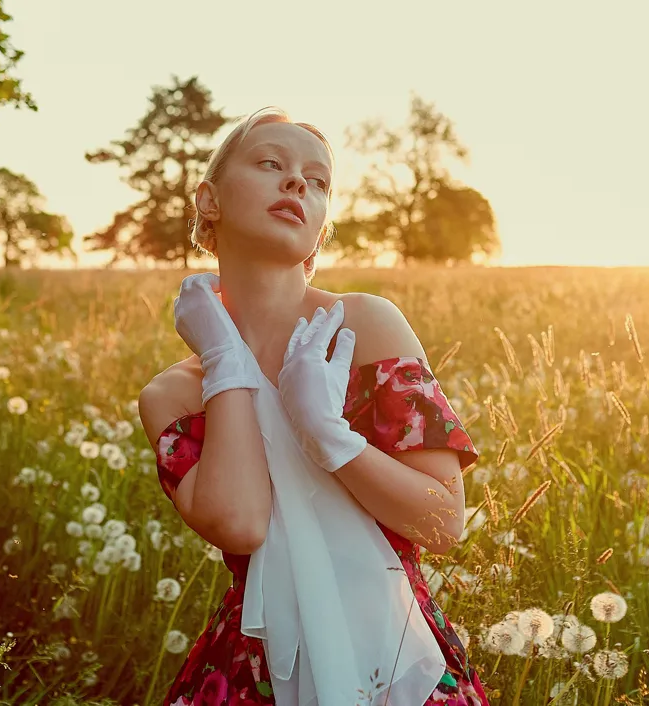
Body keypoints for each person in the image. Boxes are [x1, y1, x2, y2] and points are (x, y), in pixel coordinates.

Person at [138, 106, 490, 706]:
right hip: (256, 667)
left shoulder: (364, 326)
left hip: (398, 656)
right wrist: (226, 358)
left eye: (318, 180)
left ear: (320, 225)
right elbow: (242, 524)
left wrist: (330, 436)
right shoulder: (170, 394)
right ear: (209, 200)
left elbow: (443, 522)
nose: (299, 183)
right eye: (271, 163)